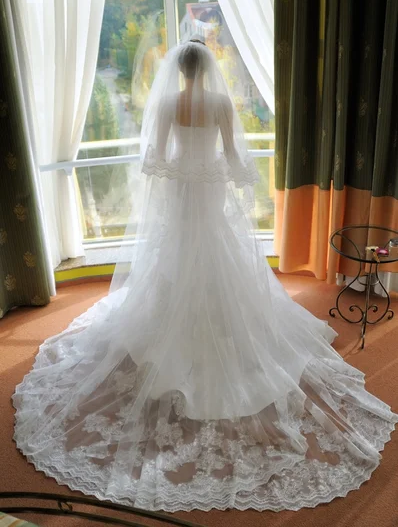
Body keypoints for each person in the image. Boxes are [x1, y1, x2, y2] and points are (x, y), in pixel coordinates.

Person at [13, 41, 397, 512]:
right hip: (208, 191)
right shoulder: (218, 103)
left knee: (174, 261)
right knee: (218, 258)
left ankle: (173, 325)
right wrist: (233, 175)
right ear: (208, 69)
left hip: (181, 191)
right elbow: (236, 155)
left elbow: (153, 154)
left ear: (180, 70)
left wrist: (178, 169)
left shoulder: (170, 102)